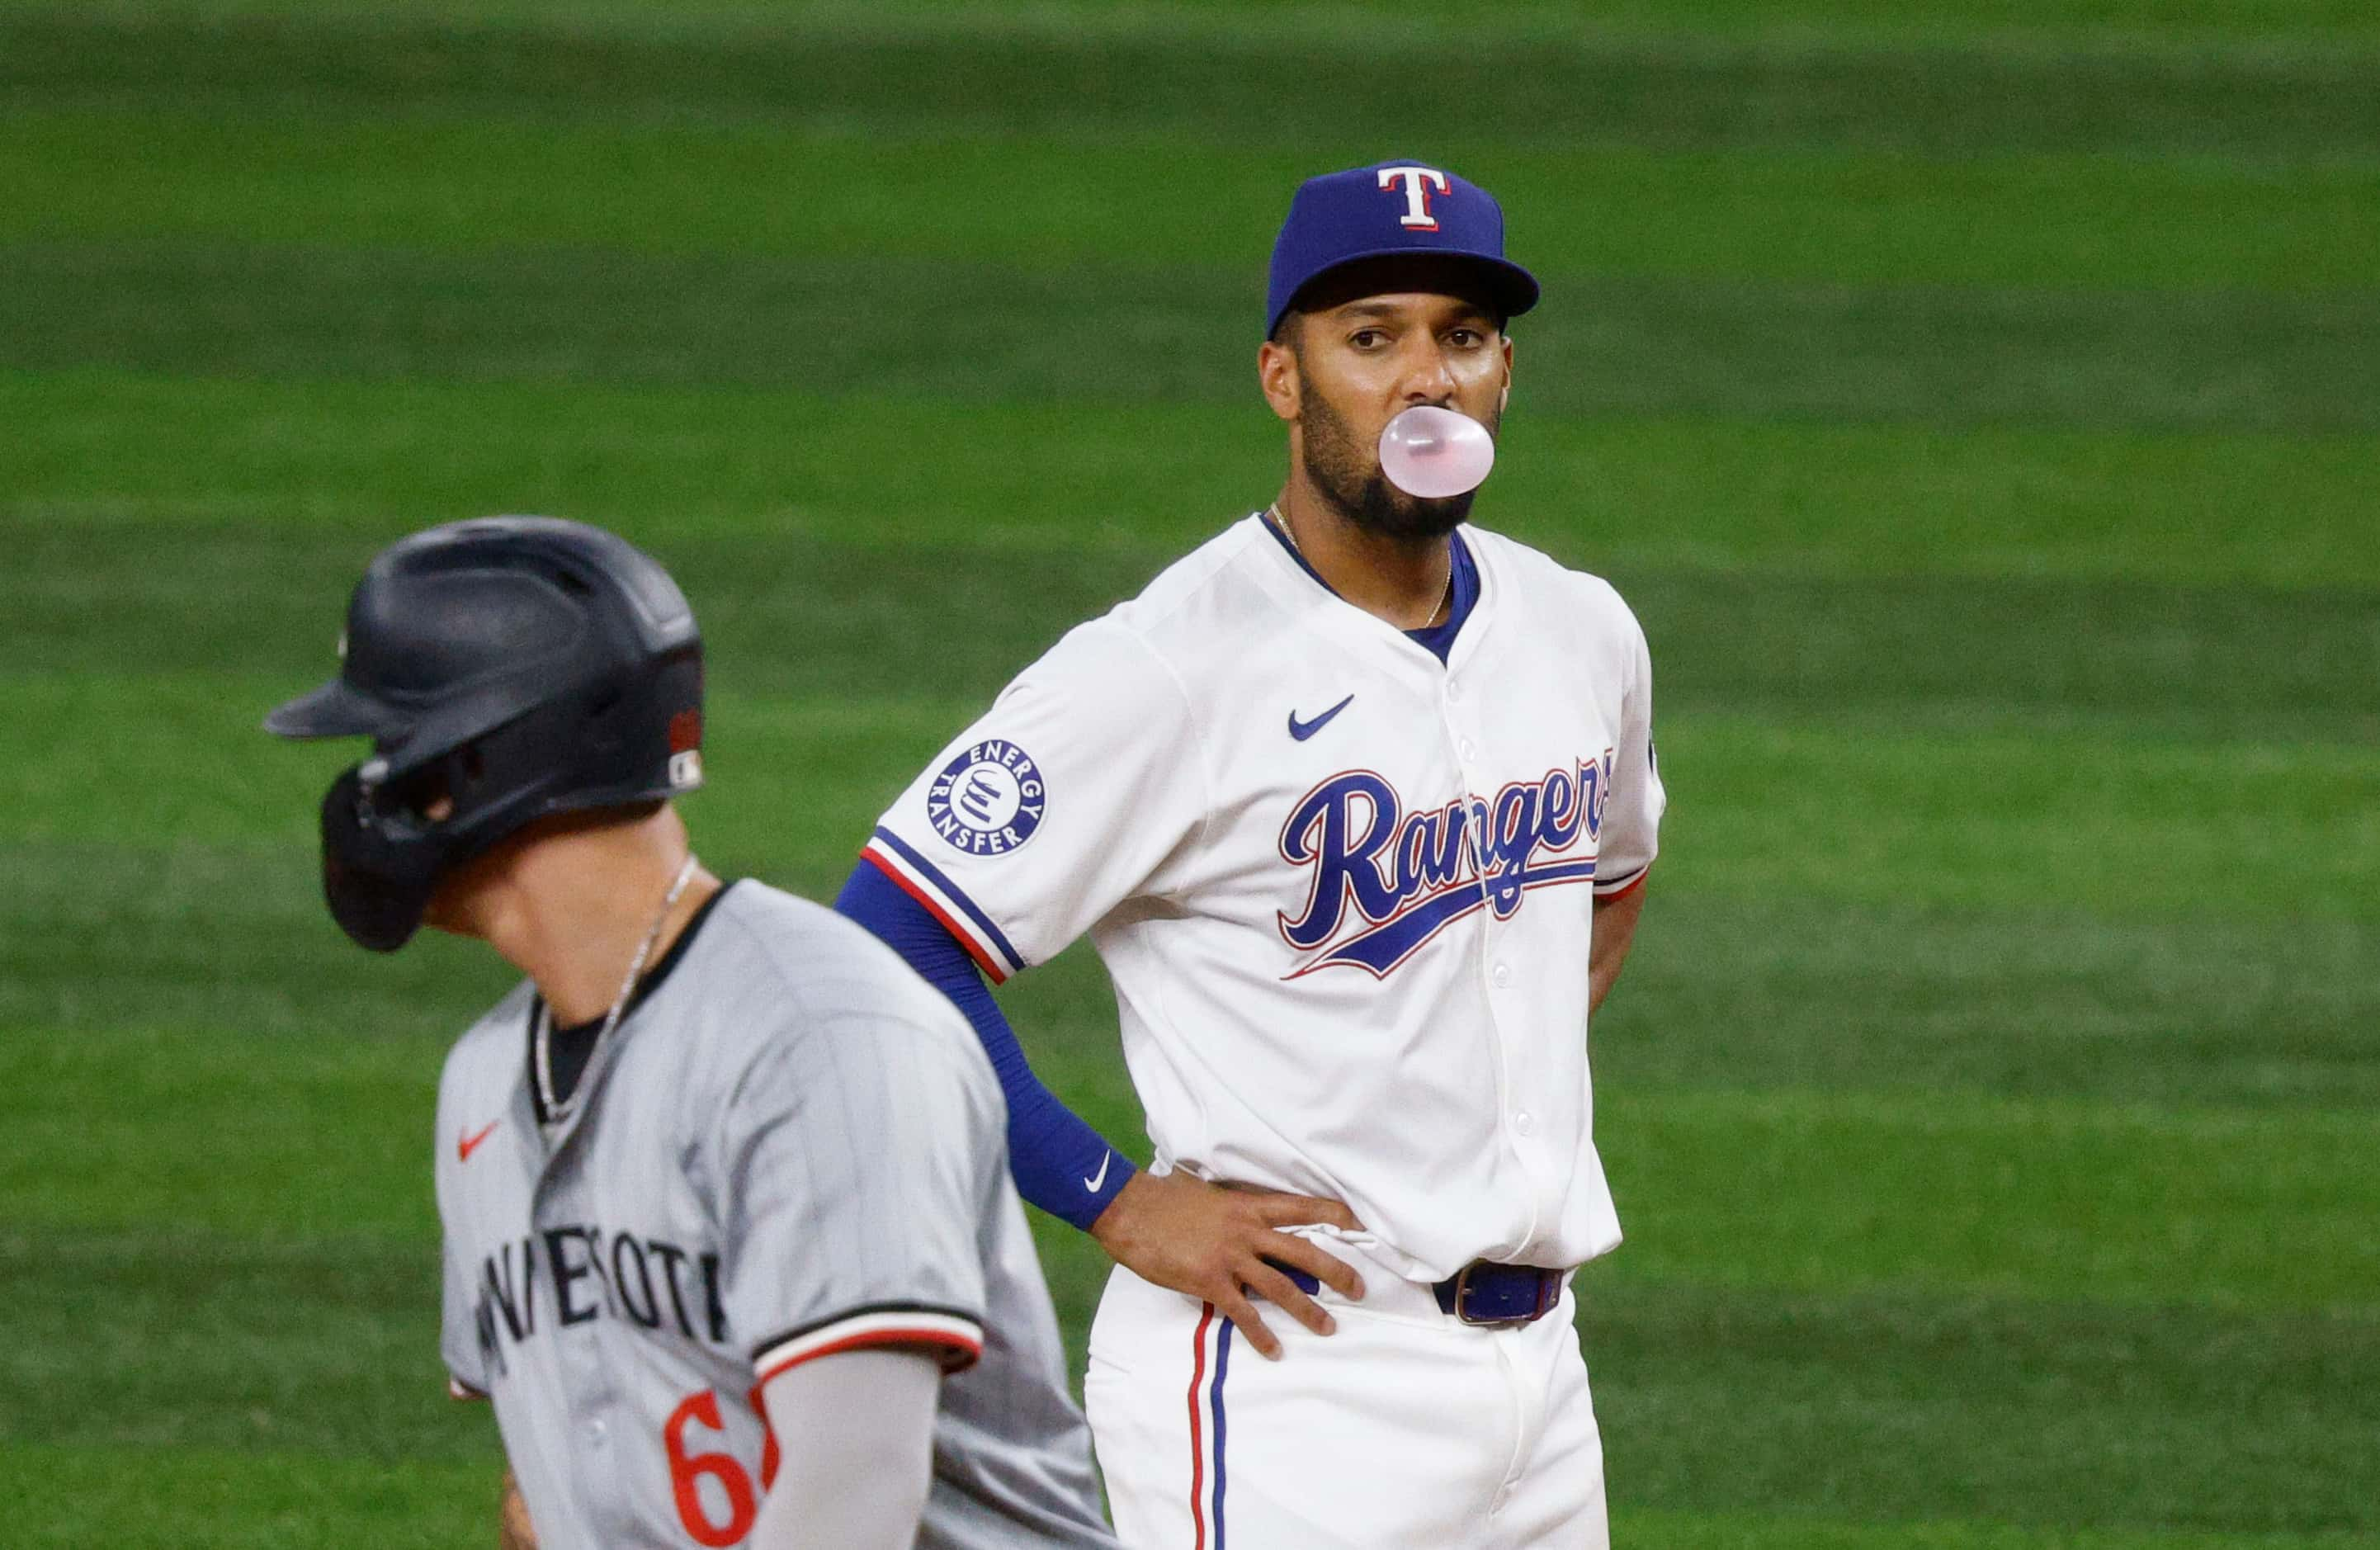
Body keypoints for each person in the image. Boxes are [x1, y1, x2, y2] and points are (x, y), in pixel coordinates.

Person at [835, 162, 1666, 1546]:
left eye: (1459, 337)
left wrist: (1474, 1044)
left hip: (1540, 1380)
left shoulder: (1577, 628)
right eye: (1369, 336)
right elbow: (881, 940)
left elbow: (1609, 873)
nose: (1424, 381)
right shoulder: (1162, 668)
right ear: (1281, 378)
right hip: (1292, 1384)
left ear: (1503, 372)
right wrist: (1110, 1199)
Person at [267, 516, 1117, 1550]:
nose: (365, 794)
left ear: (489, 758)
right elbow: (553, 1492)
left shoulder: (826, 1038)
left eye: (387, 750)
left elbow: (849, 1503)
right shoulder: (486, 1084)